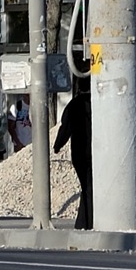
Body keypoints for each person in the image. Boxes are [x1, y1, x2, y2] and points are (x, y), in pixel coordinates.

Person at [54, 84, 93, 230]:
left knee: (86, 186)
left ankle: (84, 222)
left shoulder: (73, 105)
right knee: (91, 187)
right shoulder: (98, 103)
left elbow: (65, 128)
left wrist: (57, 145)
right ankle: (88, 221)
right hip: (97, 152)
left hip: (79, 152)